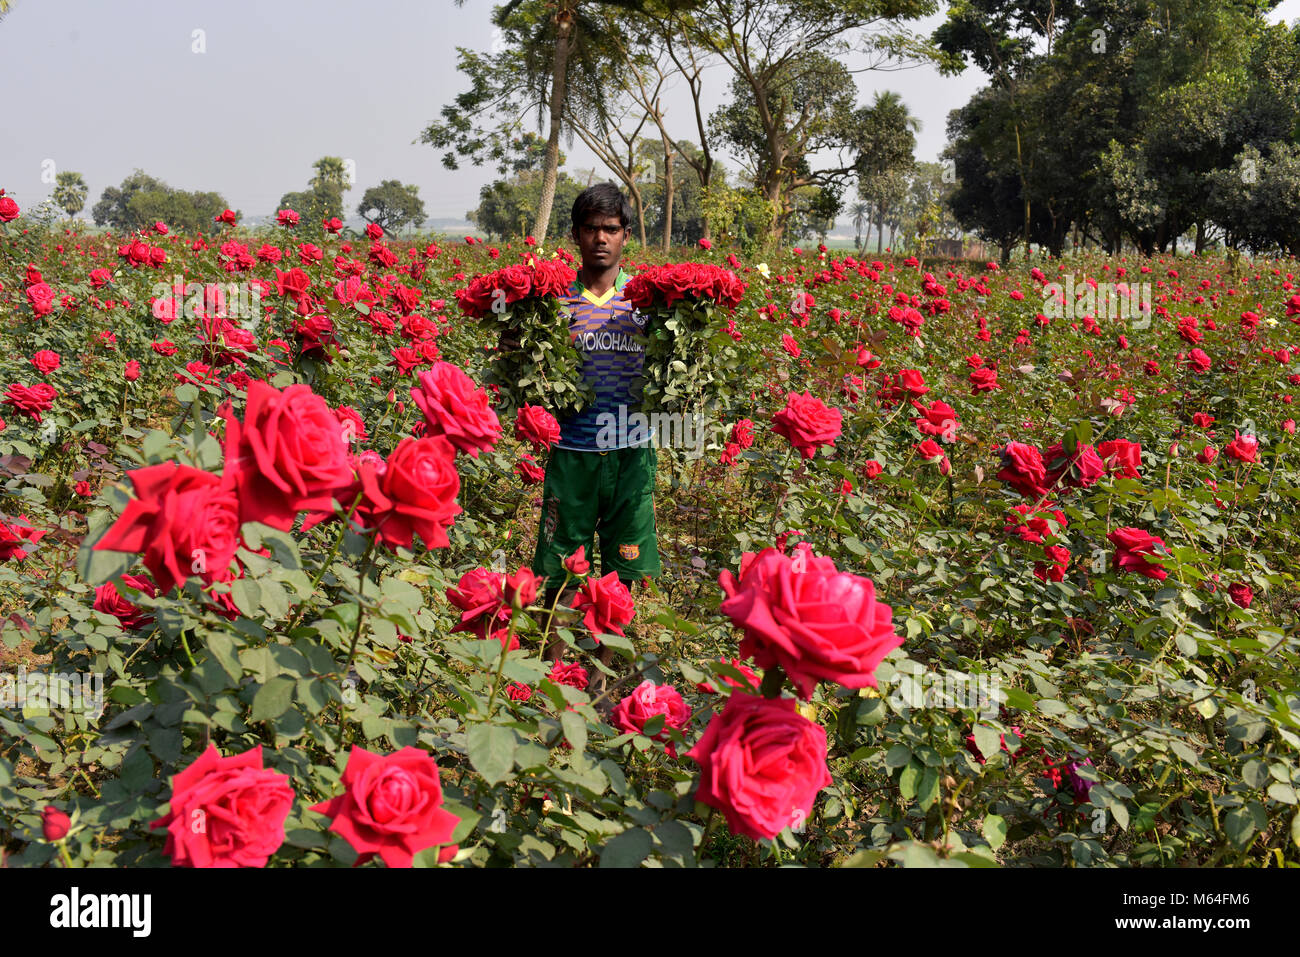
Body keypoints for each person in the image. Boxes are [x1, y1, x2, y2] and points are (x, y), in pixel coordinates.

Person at [506, 183, 662, 670]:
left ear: (626, 235)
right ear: (575, 234)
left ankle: (608, 668)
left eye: (610, 229)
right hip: (572, 452)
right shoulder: (550, 303)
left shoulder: (648, 302)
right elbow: (523, 373)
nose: (601, 238)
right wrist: (514, 344)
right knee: (560, 566)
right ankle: (560, 670)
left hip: (632, 451)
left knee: (624, 566)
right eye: (591, 228)